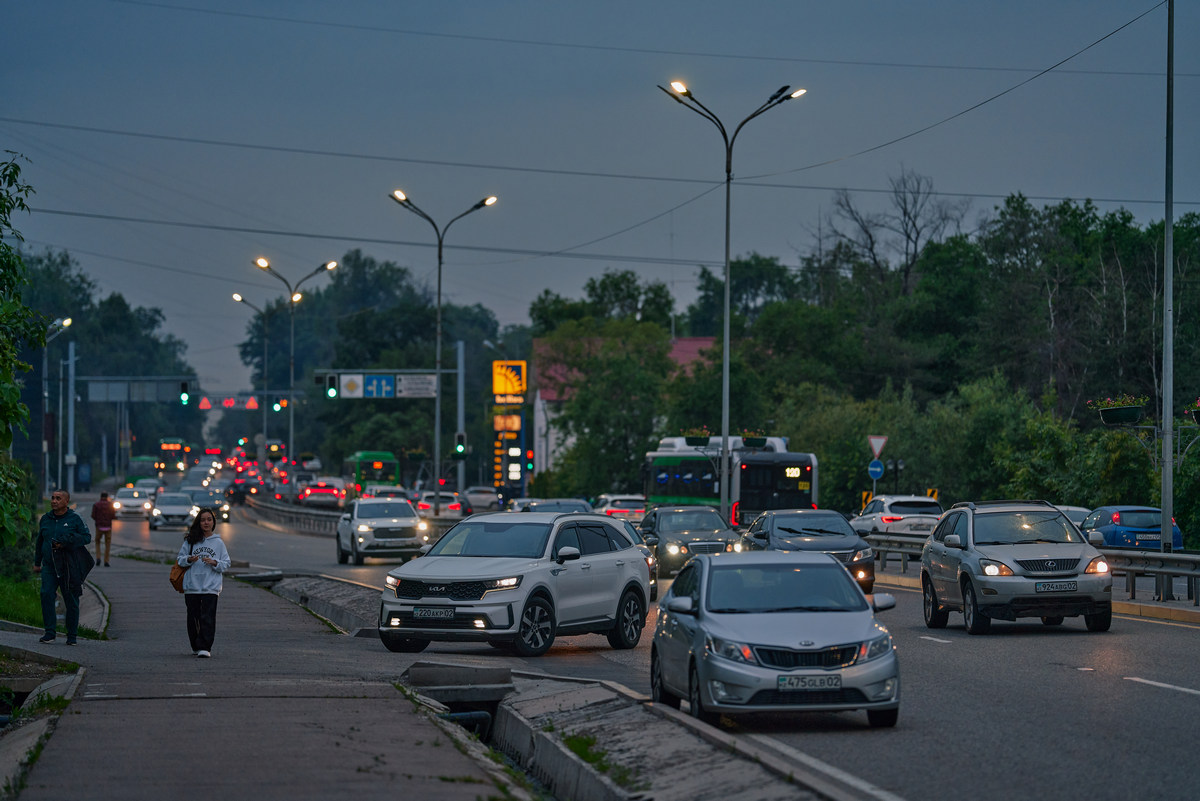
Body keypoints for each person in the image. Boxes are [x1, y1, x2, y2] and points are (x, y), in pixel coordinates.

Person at [33, 489, 93, 645]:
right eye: (52, 498)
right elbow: (40, 541)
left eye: (58, 498)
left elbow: (87, 537)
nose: (54, 501)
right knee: (46, 594)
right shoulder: (46, 519)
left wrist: (69, 540)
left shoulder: (75, 519)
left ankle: (72, 635)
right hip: (49, 567)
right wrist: (37, 562)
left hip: (68, 567)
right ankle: (49, 633)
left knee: (71, 599)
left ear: (66, 501)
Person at [177, 508, 231, 658]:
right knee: (193, 617)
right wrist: (189, 559)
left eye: (209, 519)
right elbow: (180, 560)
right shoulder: (190, 541)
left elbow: (226, 563)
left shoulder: (218, 543)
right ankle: (195, 645)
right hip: (192, 586)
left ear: (213, 522)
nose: (206, 522)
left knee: (207, 617)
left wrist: (214, 562)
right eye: (202, 520)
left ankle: (205, 647)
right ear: (198, 522)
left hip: (211, 587)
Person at [91, 491, 116, 566]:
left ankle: (98, 557)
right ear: (107, 497)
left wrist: (98, 520)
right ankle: (106, 561)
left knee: (97, 542)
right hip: (108, 527)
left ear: (100, 497)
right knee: (107, 544)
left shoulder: (96, 505)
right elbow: (113, 516)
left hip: (99, 527)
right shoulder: (110, 505)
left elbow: (93, 515)